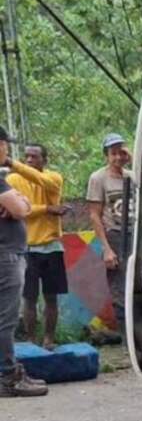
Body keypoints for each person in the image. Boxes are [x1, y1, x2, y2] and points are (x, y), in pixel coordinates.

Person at [6, 144, 70, 348]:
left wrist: (11, 162)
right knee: (29, 298)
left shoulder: (54, 178)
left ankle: (49, 339)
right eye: (26, 157)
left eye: (34, 156)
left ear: (45, 160)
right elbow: (21, 210)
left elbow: (39, 180)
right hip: (26, 248)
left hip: (52, 246)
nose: (29, 160)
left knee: (51, 297)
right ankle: (32, 339)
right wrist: (48, 209)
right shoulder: (13, 180)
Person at [0, 127, 48, 397]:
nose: (8, 151)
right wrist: (20, 203)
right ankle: (8, 377)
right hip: (6, 256)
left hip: (9, 253)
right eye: (6, 146)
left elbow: (20, 206)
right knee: (5, 320)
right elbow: (20, 209)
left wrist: (20, 202)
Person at [86, 133, 132, 336]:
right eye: (113, 153)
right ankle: (125, 337)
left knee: (135, 287)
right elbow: (94, 215)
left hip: (134, 234)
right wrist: (106, 248)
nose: (118, 158)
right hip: (114, 236)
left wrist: (130, 159)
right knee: (119, 289)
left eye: (121, 153)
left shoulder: (131, 176)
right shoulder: (98, 178)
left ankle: (137, 336)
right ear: (106, 155)